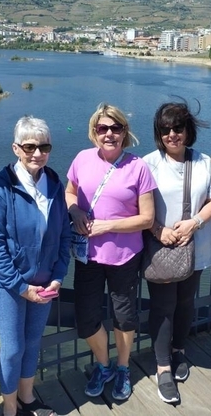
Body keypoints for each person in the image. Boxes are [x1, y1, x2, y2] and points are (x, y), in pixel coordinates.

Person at [66, 103, 156, 401]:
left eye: (115, 128)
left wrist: (107, 227)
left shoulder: (137, 166)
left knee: (124, 316)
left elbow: (147, 219)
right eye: (102, 128)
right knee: (87, 317)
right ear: (94, 132)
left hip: (124, 257)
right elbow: (69, 192)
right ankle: (103, 366)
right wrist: (75, 210)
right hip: (88, 257)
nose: (109, 134)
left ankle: (122, 368)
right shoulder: (82, 159)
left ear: (124, 133)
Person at [0, 116, 71, 416]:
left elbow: (64, 234)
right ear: (16, 148)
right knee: (11, 351)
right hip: (10, 286)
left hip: (45, 282)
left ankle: (27, 398)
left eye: (44, 146)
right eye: (30, 146)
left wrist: (58, 275)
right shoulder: (0, 189)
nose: (38, 153)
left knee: (33, 343)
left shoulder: (55, 183)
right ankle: (10, 409)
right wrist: (21, 287)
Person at [143, 102, 211, 403]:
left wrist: (195, 222)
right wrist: (158, 230)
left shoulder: (203, 162)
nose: (172, 135)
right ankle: (163, 366)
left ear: (188, 130)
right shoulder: (148, 164)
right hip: (161, 248)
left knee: (186, 302)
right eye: (165, 129)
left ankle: (179, 351)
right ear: (158, 133)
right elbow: (140, 207)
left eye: (178, 128)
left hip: (197, 247)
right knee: (163, 307)